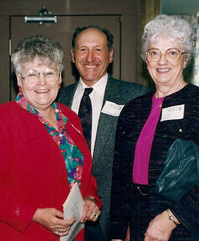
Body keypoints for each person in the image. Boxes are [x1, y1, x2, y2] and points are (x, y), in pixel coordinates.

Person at [109, 15, 199, 241]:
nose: (162, 61)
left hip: (186, 226)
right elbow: (121, 181)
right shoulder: (132, 110)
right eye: (154, 52)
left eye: (172, 52)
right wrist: (118, 233)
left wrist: (172, 218)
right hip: (139, 224)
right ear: (145, 59)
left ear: (185, 59)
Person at [0, 34, 101, 240]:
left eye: (49, 73)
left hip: (70, 233)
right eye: (31, 74)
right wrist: (34, 215)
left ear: (59, 77)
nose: (42, 82)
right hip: (22, 233)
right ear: (19, 80)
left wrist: (90, 198)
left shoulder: (70, 118)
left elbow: (80, 170)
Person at [57, 25, 148, 240]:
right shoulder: (57, 99)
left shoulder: (134, 96)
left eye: (98, 49)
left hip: (114, 218)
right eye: (83, 49)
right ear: (72, 56)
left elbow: (142, 164)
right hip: (65, 217)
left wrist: (130, 226)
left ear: (111, 56)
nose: (90, 57)